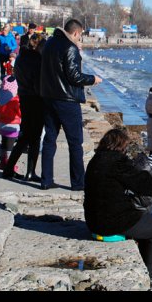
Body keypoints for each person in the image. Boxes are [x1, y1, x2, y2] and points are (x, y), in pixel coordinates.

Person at [84, 128, 152, 291]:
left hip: (93, 221)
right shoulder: (118, 163)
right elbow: (151, 188)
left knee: (144, 223)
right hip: (110, 223)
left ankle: (146, 266)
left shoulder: (95, 160)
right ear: (121, 146)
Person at [39, 18, 102, 191]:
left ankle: (46, 180)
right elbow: (74, 76)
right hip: (67, 100)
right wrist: (92, 79)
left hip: (48, 96)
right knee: (75, 143)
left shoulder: (49, 43)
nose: (79, 39)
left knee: (49, 139)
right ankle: (78, 183)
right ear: (75, 33)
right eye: (80, 36)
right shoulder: (70, 48)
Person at [3, 33, 47, 182]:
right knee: (34, 137)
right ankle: (30, 172)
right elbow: (38, 82)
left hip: (24, 97)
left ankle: (9, 169)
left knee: (25, 136)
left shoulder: (21, 57)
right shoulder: (38, 59)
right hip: (36, 99)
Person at [0, 74, 21, 171]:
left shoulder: (0, 98)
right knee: (10, 147)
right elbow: (20, 113)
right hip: (12, 126)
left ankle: (2, 162)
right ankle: (10, 165)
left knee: (3, 144)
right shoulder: (15, 100)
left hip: (2, 125)